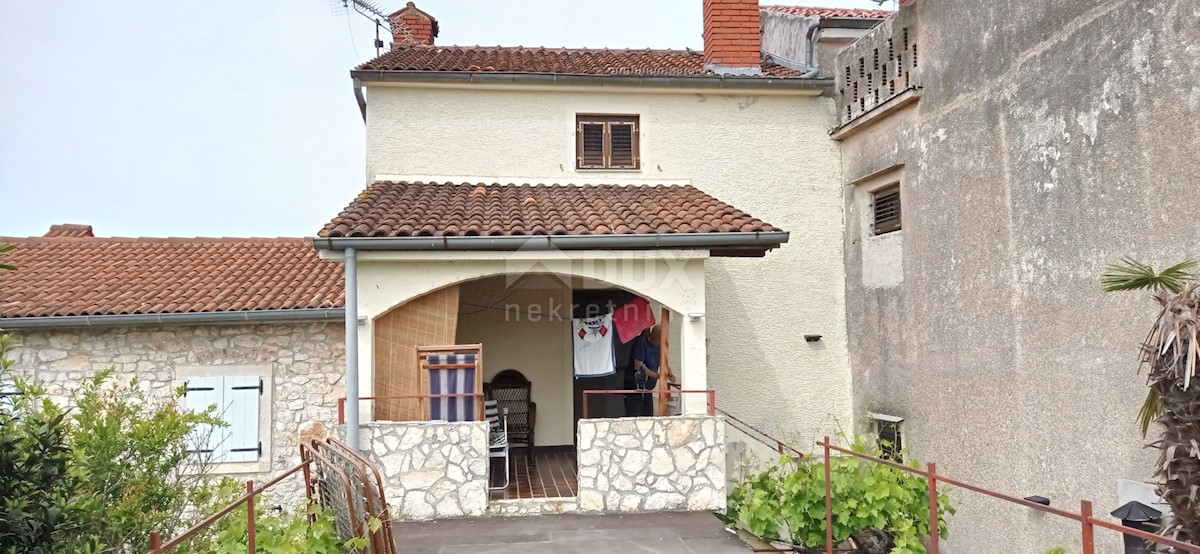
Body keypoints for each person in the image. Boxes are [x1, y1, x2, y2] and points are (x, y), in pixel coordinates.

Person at [624, 325, 662, 417]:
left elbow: (663, 361)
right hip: (635, 388)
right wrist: (658, 376)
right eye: (660, 338)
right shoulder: (641, 342)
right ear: (653, 335)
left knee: (648, 415)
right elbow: (638, 365)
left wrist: (669, 373)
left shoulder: (659, 347)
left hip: (648, 389)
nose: (661, 341)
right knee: (636, 416)